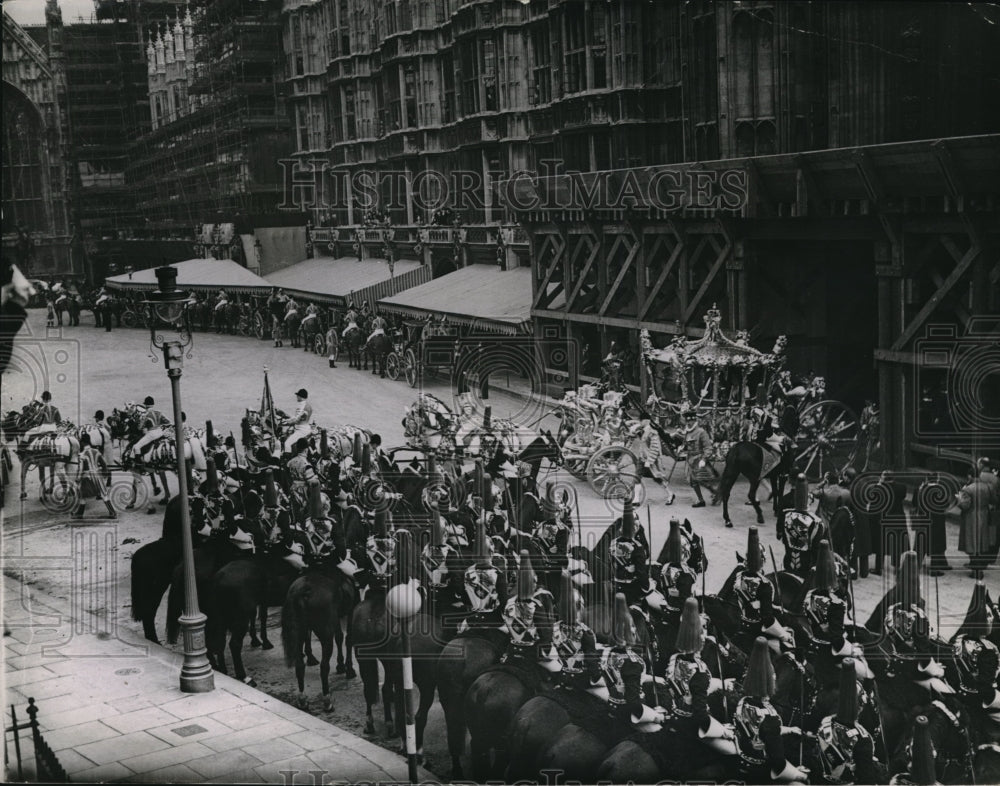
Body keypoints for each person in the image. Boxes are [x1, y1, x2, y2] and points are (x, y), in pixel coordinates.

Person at [957, 463, 998, 576]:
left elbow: (964, 505)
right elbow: (994, 501)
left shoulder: (968, 489)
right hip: (984, 516)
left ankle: (976, 571)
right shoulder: (988, 487)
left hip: (971, 516)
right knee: (981, 543)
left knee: (972, 543)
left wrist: (959, 498)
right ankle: (978, 568)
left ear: (970, 476)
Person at [74, 432, 116, 519]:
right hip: (98, 475)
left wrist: (77, 479)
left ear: (83, 443)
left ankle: (79, 514)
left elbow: (81, 469)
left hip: (87, 477)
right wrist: (105, 474)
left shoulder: (82, 455)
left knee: (82, 495)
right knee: (104, 494)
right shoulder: (96, 451)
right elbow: (104, 464)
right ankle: (112, 512)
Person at [637, 418, 676, 505]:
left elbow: (655, 448)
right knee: (637, 477)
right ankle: (635, 500)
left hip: (649, 460)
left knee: (657, 478)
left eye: (641, 420)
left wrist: (649, 461)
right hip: (642, 458)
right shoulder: (642, 431)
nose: (640, 422)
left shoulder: (652, 432)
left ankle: (670, 494)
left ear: (646, 421)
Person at [682, 410, 714, 509]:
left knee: (702, 480)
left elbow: (708, 447)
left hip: (699, 459)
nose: (688, 423)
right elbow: (686, 444)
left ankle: (715, 492)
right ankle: (701, 500)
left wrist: (704, 459)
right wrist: (682, 447)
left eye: (690, 421)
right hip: (690, 460)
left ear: (694, 420)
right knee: (693, 481)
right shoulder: (687, 431)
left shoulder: (701, 432)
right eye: (687, 421)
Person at [283, 389, 313, 454]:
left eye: (297, 396)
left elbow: (297, 420)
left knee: (287, 444)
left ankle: (287, 460)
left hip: (301, 430)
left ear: (300, 396)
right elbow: (297, 417)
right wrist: (288, 420)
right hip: (305, 427)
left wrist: (286, 422)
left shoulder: (302, 406)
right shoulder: (308, 405)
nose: (296, 397)